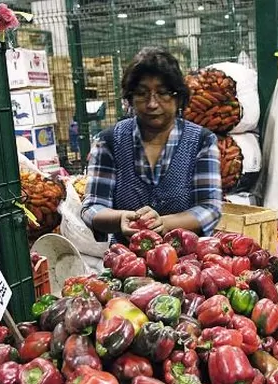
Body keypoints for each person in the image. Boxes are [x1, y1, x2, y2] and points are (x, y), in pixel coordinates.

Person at [81, 47, 223, 244]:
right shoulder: (110, 141)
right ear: (130, 99)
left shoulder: (201, 141)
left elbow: (210, 208)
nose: (152, 104)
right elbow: (92, 207)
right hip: (126, 261)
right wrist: (121, 218)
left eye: (163, 93)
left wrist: (164, 223)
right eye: (141, 93)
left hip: (186, 263)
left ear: (178, 98)